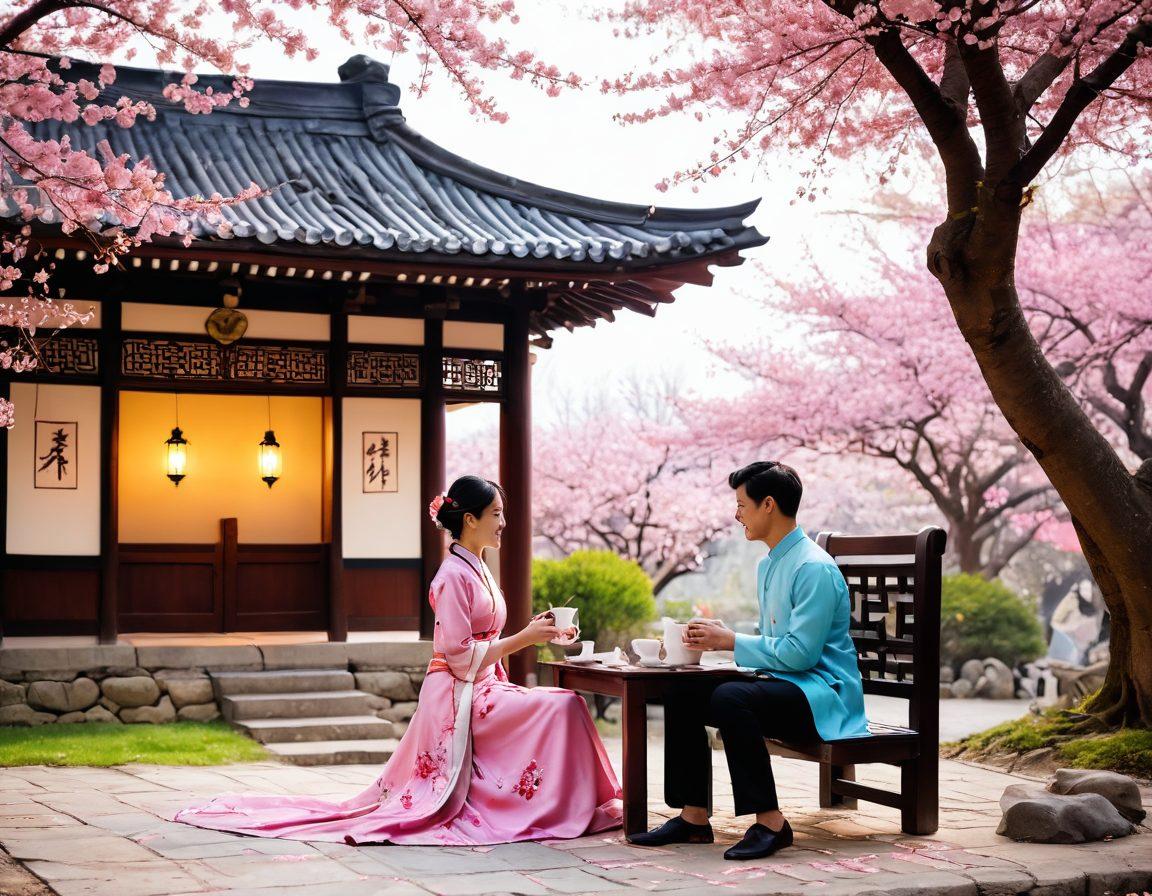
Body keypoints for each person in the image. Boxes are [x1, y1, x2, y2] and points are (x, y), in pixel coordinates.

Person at [175, 475, 622, 845]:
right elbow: (462, 658)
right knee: (563, 706)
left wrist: (543, 631)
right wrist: (525, 637)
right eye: (497, 515)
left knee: (566, 704)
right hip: (456, 694)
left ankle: (577, 804)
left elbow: (489, 639)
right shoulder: (451, 577)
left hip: (485, 686)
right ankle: (564, 807)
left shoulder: (480, 567)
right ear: (470, 520)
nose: (504, 523)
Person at [628, 461, 869, 860]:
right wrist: (724, 636)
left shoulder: (813, 568)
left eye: (742, 504)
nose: (736, 513)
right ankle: (692, 817)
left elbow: (801, 654)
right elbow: (776, 642)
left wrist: (731, 641)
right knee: (682, 688)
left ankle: (772, 823)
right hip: (788, 684)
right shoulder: (770, 563)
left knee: (730, 698)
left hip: (824, 694)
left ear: (768, 505)